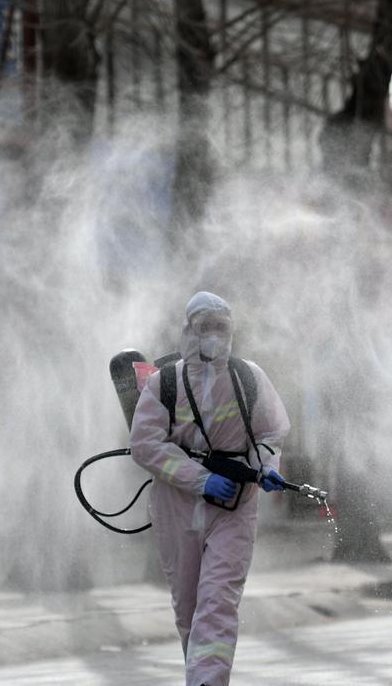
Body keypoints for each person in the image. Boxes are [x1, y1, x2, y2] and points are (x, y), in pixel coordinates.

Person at [129, 291, 290, 686]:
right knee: (189, 610)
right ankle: (201, 675)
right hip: (175, 505)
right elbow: (145, 444)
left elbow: (271, 431)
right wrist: (199, 479)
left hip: (236, 504)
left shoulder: (250, 377)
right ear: (189, 330)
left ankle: (207, 682)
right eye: (206, 327)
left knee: (218, 602)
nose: (215, 334)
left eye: (222, 326)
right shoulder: (164, 384)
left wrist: (266, 465)